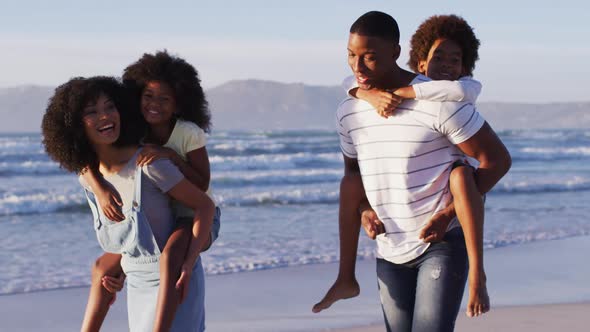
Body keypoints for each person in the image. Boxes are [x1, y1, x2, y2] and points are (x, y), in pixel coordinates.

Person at [320, 11, 511, 332]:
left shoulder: (440, 101)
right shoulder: (348, 111)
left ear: (395, 53)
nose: (358, 67)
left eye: (369, 57)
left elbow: (497, 161)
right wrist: (365, 209)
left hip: (441, 245)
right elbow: (354, 173)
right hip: (390, 247)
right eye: (351, 56)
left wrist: (448, 214)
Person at [42, 76, 214, 331]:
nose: (105, 117)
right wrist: (121, 269)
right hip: (137, 282)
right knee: (100, 268)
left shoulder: (150, 165)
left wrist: (188, 262)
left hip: (176, 281)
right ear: (75, 126)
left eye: (110, 107)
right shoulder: (89, 179)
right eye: (92, 112)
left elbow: (205, 205)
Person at [80, 51, 222, 331]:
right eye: (148, 96)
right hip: (163, 220)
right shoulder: (137, 131)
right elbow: (84, 163)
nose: (154, 105)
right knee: (102, 268)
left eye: (164, 99)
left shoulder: (188, 133)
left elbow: (202, 185)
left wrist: (171, 156)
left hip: (194, 216)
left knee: (171, 258)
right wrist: (101, 190)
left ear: (179, 104)